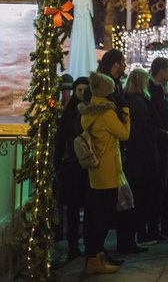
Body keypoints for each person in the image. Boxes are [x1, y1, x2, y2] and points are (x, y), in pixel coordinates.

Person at [79, 71, 131, 276]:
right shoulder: (107, 113)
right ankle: (95, 259)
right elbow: (124, 134)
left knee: (94, 213)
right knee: (103, 215)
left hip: (95, 169)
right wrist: (126, 113)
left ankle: (94, 256)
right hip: (108, 168)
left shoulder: (88, 111)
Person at [122, 68, 158, 253]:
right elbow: (141, 132)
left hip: (137, 157)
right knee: (137, 198)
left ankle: (130, 238)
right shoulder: (138, 103)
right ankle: (129, 239)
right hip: (140, 158)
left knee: (136, 198)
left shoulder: (133, 101)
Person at [54, 76, 89, 262]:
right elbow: (61, 140)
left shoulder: (91, 111)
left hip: (88, 166)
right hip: (73, 167)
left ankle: (88, 244)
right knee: (73, 208)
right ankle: (73, 244)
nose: (82, 93)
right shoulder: (69, 114)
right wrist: (57, 163)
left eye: (85, 90)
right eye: (79, 90)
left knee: (88, 206)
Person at [146, 57, 168, 242]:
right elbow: (155, 119)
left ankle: (157, 227)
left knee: (162, 187)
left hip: (164, 142)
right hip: (157, 146)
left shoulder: (161, 90)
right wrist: (166, 131)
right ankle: (152, 228)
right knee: (155, 187)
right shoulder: (152, 91)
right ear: (161, 71)